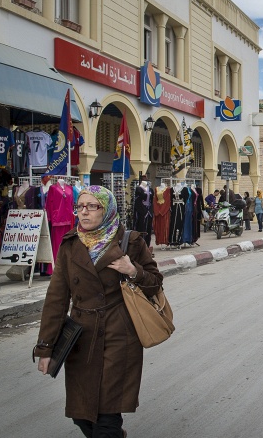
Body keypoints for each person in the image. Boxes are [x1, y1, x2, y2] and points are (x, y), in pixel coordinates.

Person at [33, 185, 162, 438]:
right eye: (80, 206)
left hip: (119, 333)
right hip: (81, 337)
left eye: (92, 206)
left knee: (106, 415)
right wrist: (45, 348)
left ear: (108, 209)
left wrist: (132, 269)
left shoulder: (130, 241)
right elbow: (57, 299)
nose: (84, 212)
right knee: (81, 415)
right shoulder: (70, 244)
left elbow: (155, 282)